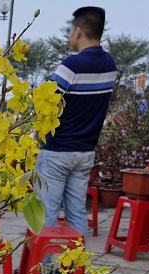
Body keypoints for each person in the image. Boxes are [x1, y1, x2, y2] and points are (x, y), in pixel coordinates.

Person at [35, 6, 117, 244]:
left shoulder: (72, 65)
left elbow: (46, 100)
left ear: (78, 31)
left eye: (71, 30)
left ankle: (45, 272)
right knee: (77, 213)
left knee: (46, 213)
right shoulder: (109, 65)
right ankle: (75, 269)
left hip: (58, 151)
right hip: (85, 153)